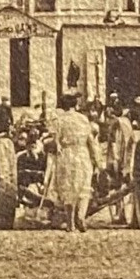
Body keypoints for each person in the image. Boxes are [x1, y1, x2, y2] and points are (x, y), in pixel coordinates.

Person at [45, 96, 102, 232]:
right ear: (75, 105)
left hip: (66, 154)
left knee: (68, 188)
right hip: (82, 153)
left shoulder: (59, 120)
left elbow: (55, 141)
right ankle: (81, 216)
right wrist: (97, 161)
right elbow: (91, 142)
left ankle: (70, 222)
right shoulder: (83, 119)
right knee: (84, 186)